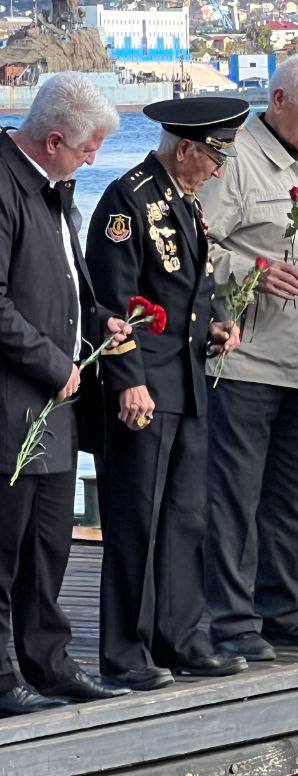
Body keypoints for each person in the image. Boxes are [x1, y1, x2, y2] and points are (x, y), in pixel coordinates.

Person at [85, 98, 251, 690]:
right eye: (213, 156)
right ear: (185, 149)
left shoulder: (185, 200)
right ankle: (125, 650)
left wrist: (212, 326)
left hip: (185, 381)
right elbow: (111, 302)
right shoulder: (129, 200)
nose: (218, 170)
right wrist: (128, 381)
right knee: (135, 519)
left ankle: (180, 636)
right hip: (144, 390)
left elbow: (181, 291)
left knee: (185, 517)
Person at [200, 56, 298, 665]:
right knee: (235, 498)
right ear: (280, 98)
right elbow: (192, 243)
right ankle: (231, 621)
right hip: (244, 362)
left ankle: (286, 611)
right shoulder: (234, 161)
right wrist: (251, 271)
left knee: (293, 497)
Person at [0, 73, 134, 713]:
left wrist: (99, 313)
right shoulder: (2, 185)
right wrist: (53, 363)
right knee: (5, 548)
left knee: (48, 543)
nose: (94, 159)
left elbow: (63, 278)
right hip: (12, 404)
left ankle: (46, 662)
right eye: (88, 148)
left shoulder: (55, 188)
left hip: (55, 408)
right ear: (54, 139)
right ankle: (3, 679)